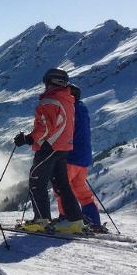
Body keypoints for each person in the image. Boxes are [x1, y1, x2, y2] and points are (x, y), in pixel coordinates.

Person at [13, 68, 84, 233]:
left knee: (36, 181)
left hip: (49, 147)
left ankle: (41, 220)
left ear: (52, 82)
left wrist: (28, 138)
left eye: (46, 83)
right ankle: (75, 220)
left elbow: (45, 127)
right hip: (63, 147)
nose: (45, 87)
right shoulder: (67, 99)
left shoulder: (50, 100)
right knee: (62, 185)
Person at [54, 84, 103, 229]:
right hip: (83, 158)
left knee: (62, 189)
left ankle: (66, 219)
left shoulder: (70, 109)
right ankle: (93, 221)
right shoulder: (83, 109)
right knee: (80, 190)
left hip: (70, 156)